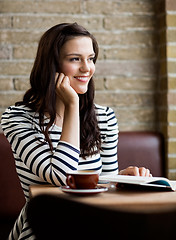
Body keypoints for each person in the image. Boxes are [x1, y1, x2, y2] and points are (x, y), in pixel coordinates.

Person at [1, 22, 151, 239]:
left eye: (90, 59)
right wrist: (71, 106)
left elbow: (100, 188)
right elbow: (62, 177)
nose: (87, 68)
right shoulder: (18, 118)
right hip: (44, 227)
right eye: (75, 59)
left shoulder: (104, 118)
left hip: (93, 222)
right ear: (52, 65)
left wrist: (119, 180)